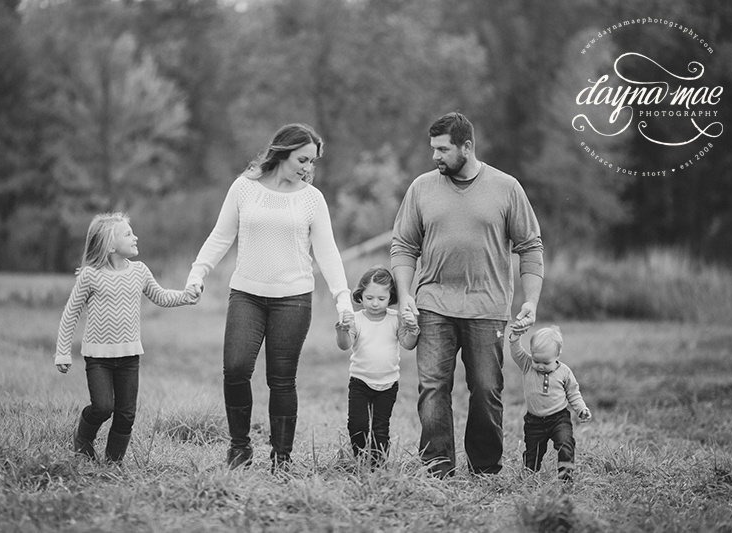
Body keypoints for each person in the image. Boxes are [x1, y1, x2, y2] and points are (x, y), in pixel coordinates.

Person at [185, 123, 352, 472]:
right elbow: (221, 235)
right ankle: (239, 448)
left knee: (281, 379)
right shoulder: (244, 187)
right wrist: (198, 273)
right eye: (303, 160)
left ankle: (281, 459)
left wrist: (342, 298)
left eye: (313, 162)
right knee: (235, 369)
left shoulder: (312, 199)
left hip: (294, 299)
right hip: (246, 294)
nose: (308, 168)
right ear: (282, 152)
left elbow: (327, 252)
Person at [390, 111, 544, 477]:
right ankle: (437, 466)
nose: (435, 156)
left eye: (443, 149)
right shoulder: (421, 188)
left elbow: (530, 246)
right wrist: (405, 294)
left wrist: (531, 300)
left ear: (467, 146)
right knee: (432, 388)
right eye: (433, 149)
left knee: (487, 389)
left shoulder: (506, 187)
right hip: (433, 304)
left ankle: (485, 468)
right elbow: (404, 245)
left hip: (487, 307)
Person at [54, 212, 197, 464]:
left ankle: (113, 463)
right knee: (102, 407)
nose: (135, 237)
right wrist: (63, 352)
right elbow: (70, 314)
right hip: (98, 357)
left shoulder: (139, 271)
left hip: (130, 357)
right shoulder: (91, 275)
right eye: (128, 234)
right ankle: (83, 439)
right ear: (110, 245)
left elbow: (161, 296)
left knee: (126, 414)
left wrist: (186, 295)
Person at [335, 266, 419, 467]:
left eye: (381, 299)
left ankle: (377, 465)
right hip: (360, 381)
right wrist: (342, 330)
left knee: (380, 428)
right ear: (360, 295)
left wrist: (413, 329)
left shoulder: (395, 318)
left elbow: (408, 344)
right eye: (369, 298)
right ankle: (360, 459)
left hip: (388, 383)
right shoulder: (356, 319)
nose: (374, 303)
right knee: (357, 424)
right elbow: (345, 345)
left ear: (390, 297)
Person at [508, 325, 591, 482]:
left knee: (566, 444)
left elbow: (573, 393)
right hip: (534, 422)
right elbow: (517, 352)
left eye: (546, 362)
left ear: (557, 355)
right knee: (533, 451)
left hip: (559, 418)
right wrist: (515, 338)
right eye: (536, 360)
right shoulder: (527, 365)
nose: (540, 366)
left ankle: (565, 477)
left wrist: (581, 409)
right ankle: (529, 476)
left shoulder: (564, 372)